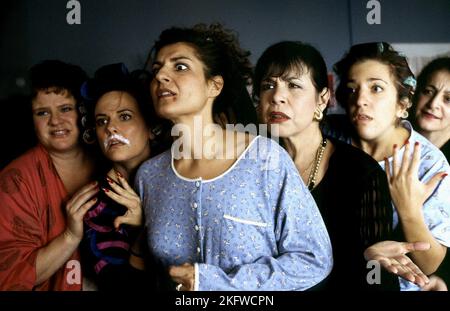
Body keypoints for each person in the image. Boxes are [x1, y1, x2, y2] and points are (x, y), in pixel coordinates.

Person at [135, 23, 333, 291]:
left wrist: (211, 282)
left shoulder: (265, 159)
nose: (161, 77)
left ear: (214, 85)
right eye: (157, 69)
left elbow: (313, 259)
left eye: (179, 67)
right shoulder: (149, 176)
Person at [253, 41, 429, 290]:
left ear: (322, 99)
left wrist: (365, 259)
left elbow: (374, 279)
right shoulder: (248, 167)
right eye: (268, 86)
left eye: (293, 85)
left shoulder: (361, 173)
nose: (277, 97)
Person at [333, 42, 450, 290]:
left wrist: (409, 209)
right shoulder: (329, 137)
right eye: (353, 89)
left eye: (376, 88)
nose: (361, 100)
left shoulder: (429, 162)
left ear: (402, 104)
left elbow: (430, 264)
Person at [0, 60, 98, 290]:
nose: (55, 121)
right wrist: (70, 237)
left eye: (65, 108)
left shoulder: (111, 163)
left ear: (84, 111)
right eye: (43, 112)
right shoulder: (15, 181)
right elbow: (11, 278)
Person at [79, 63, 169, 290]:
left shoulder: (179, 180)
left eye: (125, 117)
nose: (111, 128)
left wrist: (147, 225)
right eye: (102, 121)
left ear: (151, 127)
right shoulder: (92, 203)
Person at [409, 57, 450, 288]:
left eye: (448, 99)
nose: (434, 103)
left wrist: (444, 278)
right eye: (428, 91)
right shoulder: (391, 144)